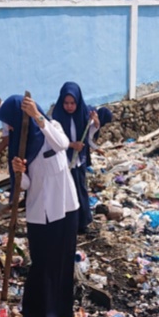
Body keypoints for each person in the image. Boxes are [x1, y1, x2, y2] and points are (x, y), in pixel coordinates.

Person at [0, 94, 79, 317]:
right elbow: (25, 186)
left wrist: (37, 117)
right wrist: (18, 171)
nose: (9, 127)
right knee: (42, 263)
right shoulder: (18, 147)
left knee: (63, 260)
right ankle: (39, 313)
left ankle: (61, 311)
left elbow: (62, 144)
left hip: (66, 207)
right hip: (40, 213)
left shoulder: (52, 127)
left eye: (11, 121)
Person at [51, 82, 97, 234]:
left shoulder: (84, 113)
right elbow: (54, 139)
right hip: (64, 160)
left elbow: (91, 132)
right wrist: (71, 145)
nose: (69, 106)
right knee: (67, 191)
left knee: (81, 189)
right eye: (66, 103)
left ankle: (83, 223)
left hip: (78, 160)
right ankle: (68, 224)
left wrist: (95, 121)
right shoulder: (56, 117)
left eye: (72, 103)